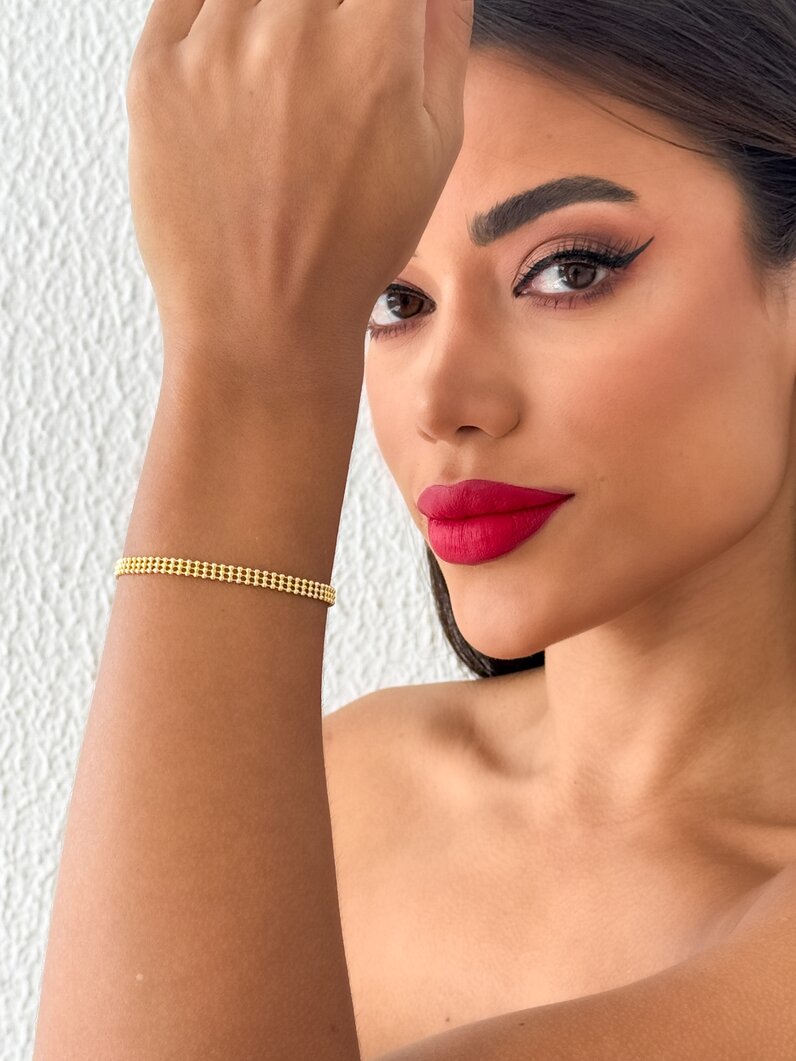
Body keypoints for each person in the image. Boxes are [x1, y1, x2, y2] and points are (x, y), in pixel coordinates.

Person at [35, 1, 796, 1059]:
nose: (442, 399)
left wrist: (252, 365)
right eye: (394, 299)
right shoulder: (339, 786)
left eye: (568, 271)